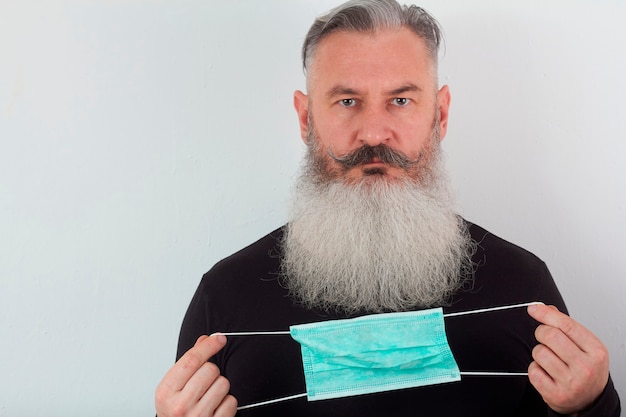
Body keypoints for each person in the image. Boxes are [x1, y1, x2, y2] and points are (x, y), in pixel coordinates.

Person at [155, 1, 621, 416]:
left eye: (401, 100)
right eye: (347, 101)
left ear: (439, 115)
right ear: (306, 118)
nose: (374, 133)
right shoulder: (225, 299)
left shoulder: (523, 287)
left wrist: (593, 405)